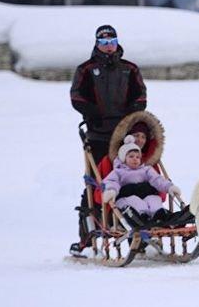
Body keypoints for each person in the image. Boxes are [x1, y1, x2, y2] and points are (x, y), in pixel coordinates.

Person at [70, 24, 147, 254]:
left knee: (133, 178)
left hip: (124, 136)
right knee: (96, 183)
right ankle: (87, 238)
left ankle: (140, 229)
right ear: (97, 44)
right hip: (98, 134)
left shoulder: (129, 69)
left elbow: (141, 96)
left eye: (112, 42)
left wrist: (132, 113)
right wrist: (93, 113)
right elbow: (76, 97)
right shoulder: (86, 69)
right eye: (104, 43)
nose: (109, 47)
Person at [102, 136, 181, 225]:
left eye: (137, 157)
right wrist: (111, 190)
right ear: (123, 159)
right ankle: (142, 218)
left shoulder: (146, 170)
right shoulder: (118, 171)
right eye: (131, 156)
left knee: (153, 199)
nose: (135, 159)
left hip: (144, 196)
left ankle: (161, 215)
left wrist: (169, 187)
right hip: (126, 200)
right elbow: (111, 181)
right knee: (135, 200)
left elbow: (157, 179)